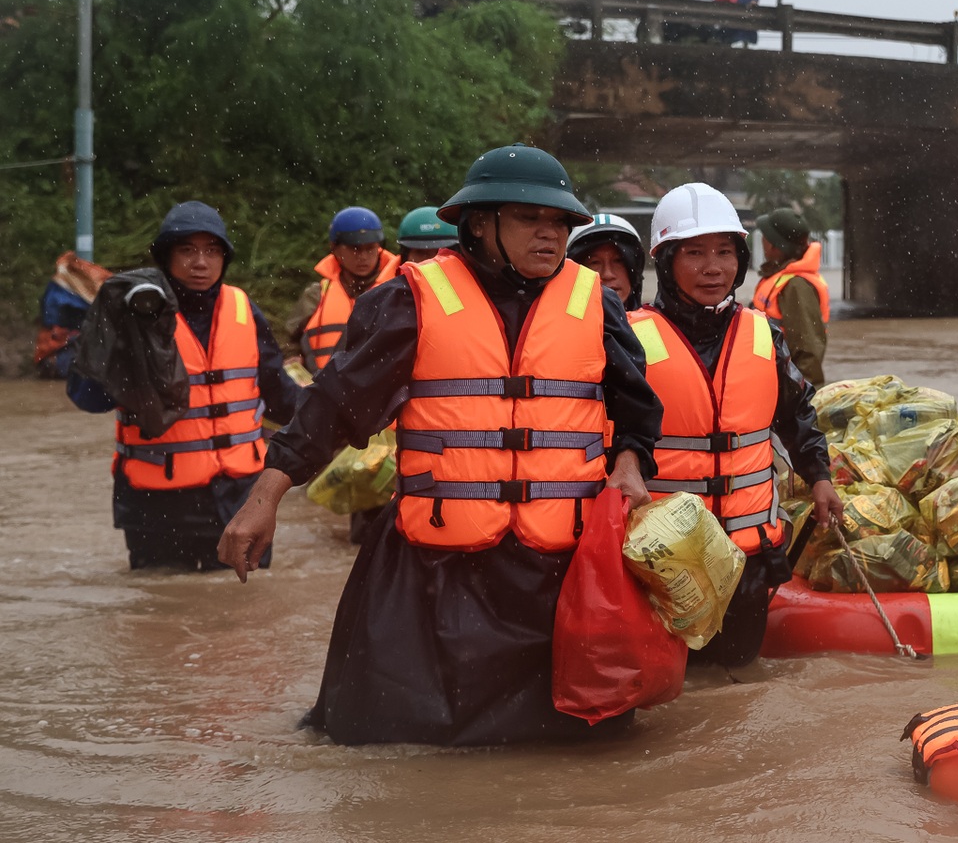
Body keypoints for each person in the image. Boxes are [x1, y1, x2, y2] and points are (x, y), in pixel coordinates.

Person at [216, 146, 664, 747]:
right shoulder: (408, 299)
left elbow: (637, 411)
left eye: (559, 221)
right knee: (390, 740)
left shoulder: (597, 305)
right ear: (480, 223)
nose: (549, 233)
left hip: (556, 571)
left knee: (579, 742)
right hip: (437, 570)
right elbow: (333, 405)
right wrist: (264, 496)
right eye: (531, 217)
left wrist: (631, 466)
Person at [633, 182, 841, 666]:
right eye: (695, 253)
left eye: (725, 252)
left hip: (746, 555)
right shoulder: (630, 338)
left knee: (737, 685)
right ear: (665, 261)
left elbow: (797, 413)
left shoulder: (763, 334)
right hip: (666, 560)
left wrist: (820, 477)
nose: (713, 267)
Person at [67, 201, 304, 570]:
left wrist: (336, 417)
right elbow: (87, 398)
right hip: (157, 507)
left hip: (240, 502)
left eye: (212, 251)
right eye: (187, 250)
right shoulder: (131, 312)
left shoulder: (244, 310)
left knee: (248, 617)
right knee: (162, 616)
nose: (201, 262)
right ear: (165, 257)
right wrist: (113, 329)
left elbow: (281, 397)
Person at [285, 207, 401, 375]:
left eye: (370, 248)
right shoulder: (316, 294)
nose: (363, 256)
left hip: (377, 392)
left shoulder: (396, 291)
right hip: (323, 392)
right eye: (355, 248)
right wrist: (293, 358)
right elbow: (288, 342)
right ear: (334, 248)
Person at [751, 207, 830, 387]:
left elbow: (808, 351)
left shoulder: (796, 286)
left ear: (773, 245)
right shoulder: (779, 278)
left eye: (765, 236)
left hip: (784, 385)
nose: (762, 241)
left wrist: (803, 404)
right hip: (768, 379)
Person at [568, 212, 646, 310]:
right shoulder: (552, 324)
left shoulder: (663, 324)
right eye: (594, 262)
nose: (608, 274)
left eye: (618, 261)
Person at [395, 205, 459, 264]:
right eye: (421, 252)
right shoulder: (388, 275)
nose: (431, 260)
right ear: (405, 256)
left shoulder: (466, 275)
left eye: (440, 253)